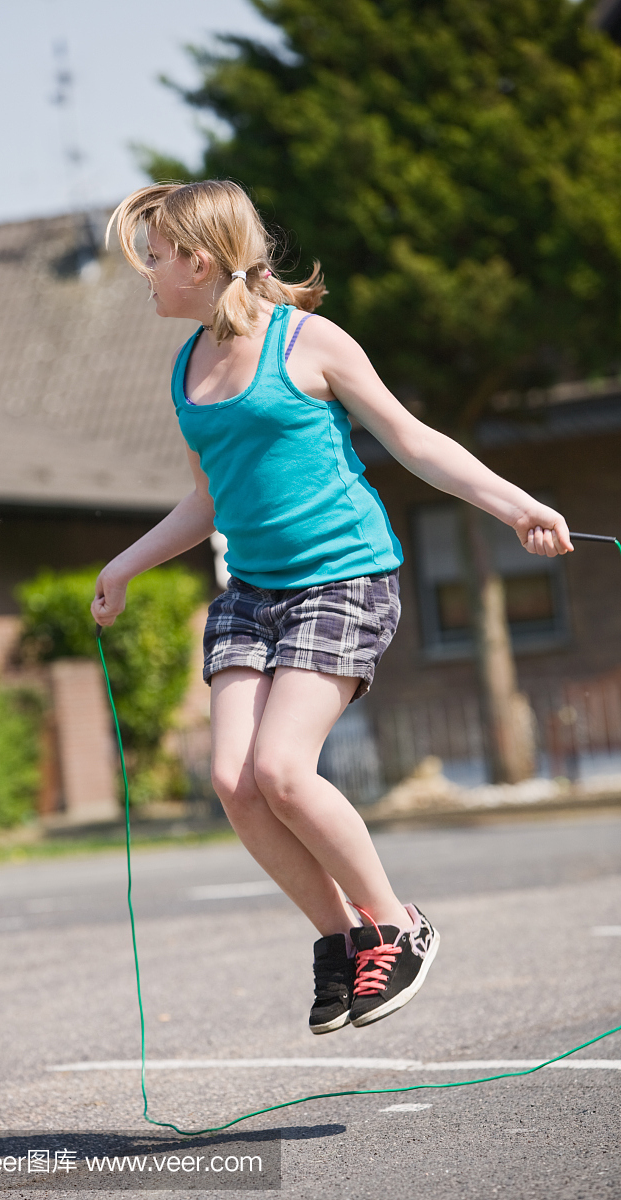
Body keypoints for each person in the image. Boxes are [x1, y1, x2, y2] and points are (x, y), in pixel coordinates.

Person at [91, 180, 573, 1035]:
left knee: (283, 769)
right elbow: (205, 502)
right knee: (235, 784)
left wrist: (516, 505)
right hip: (252, 591)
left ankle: (399, 924)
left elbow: (414, 440)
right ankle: (342, 940)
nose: (148, 277)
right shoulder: (188, 370)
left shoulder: (305, 342)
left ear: (200, 261)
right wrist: (124, 568)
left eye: (155, 260)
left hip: (342, 578)